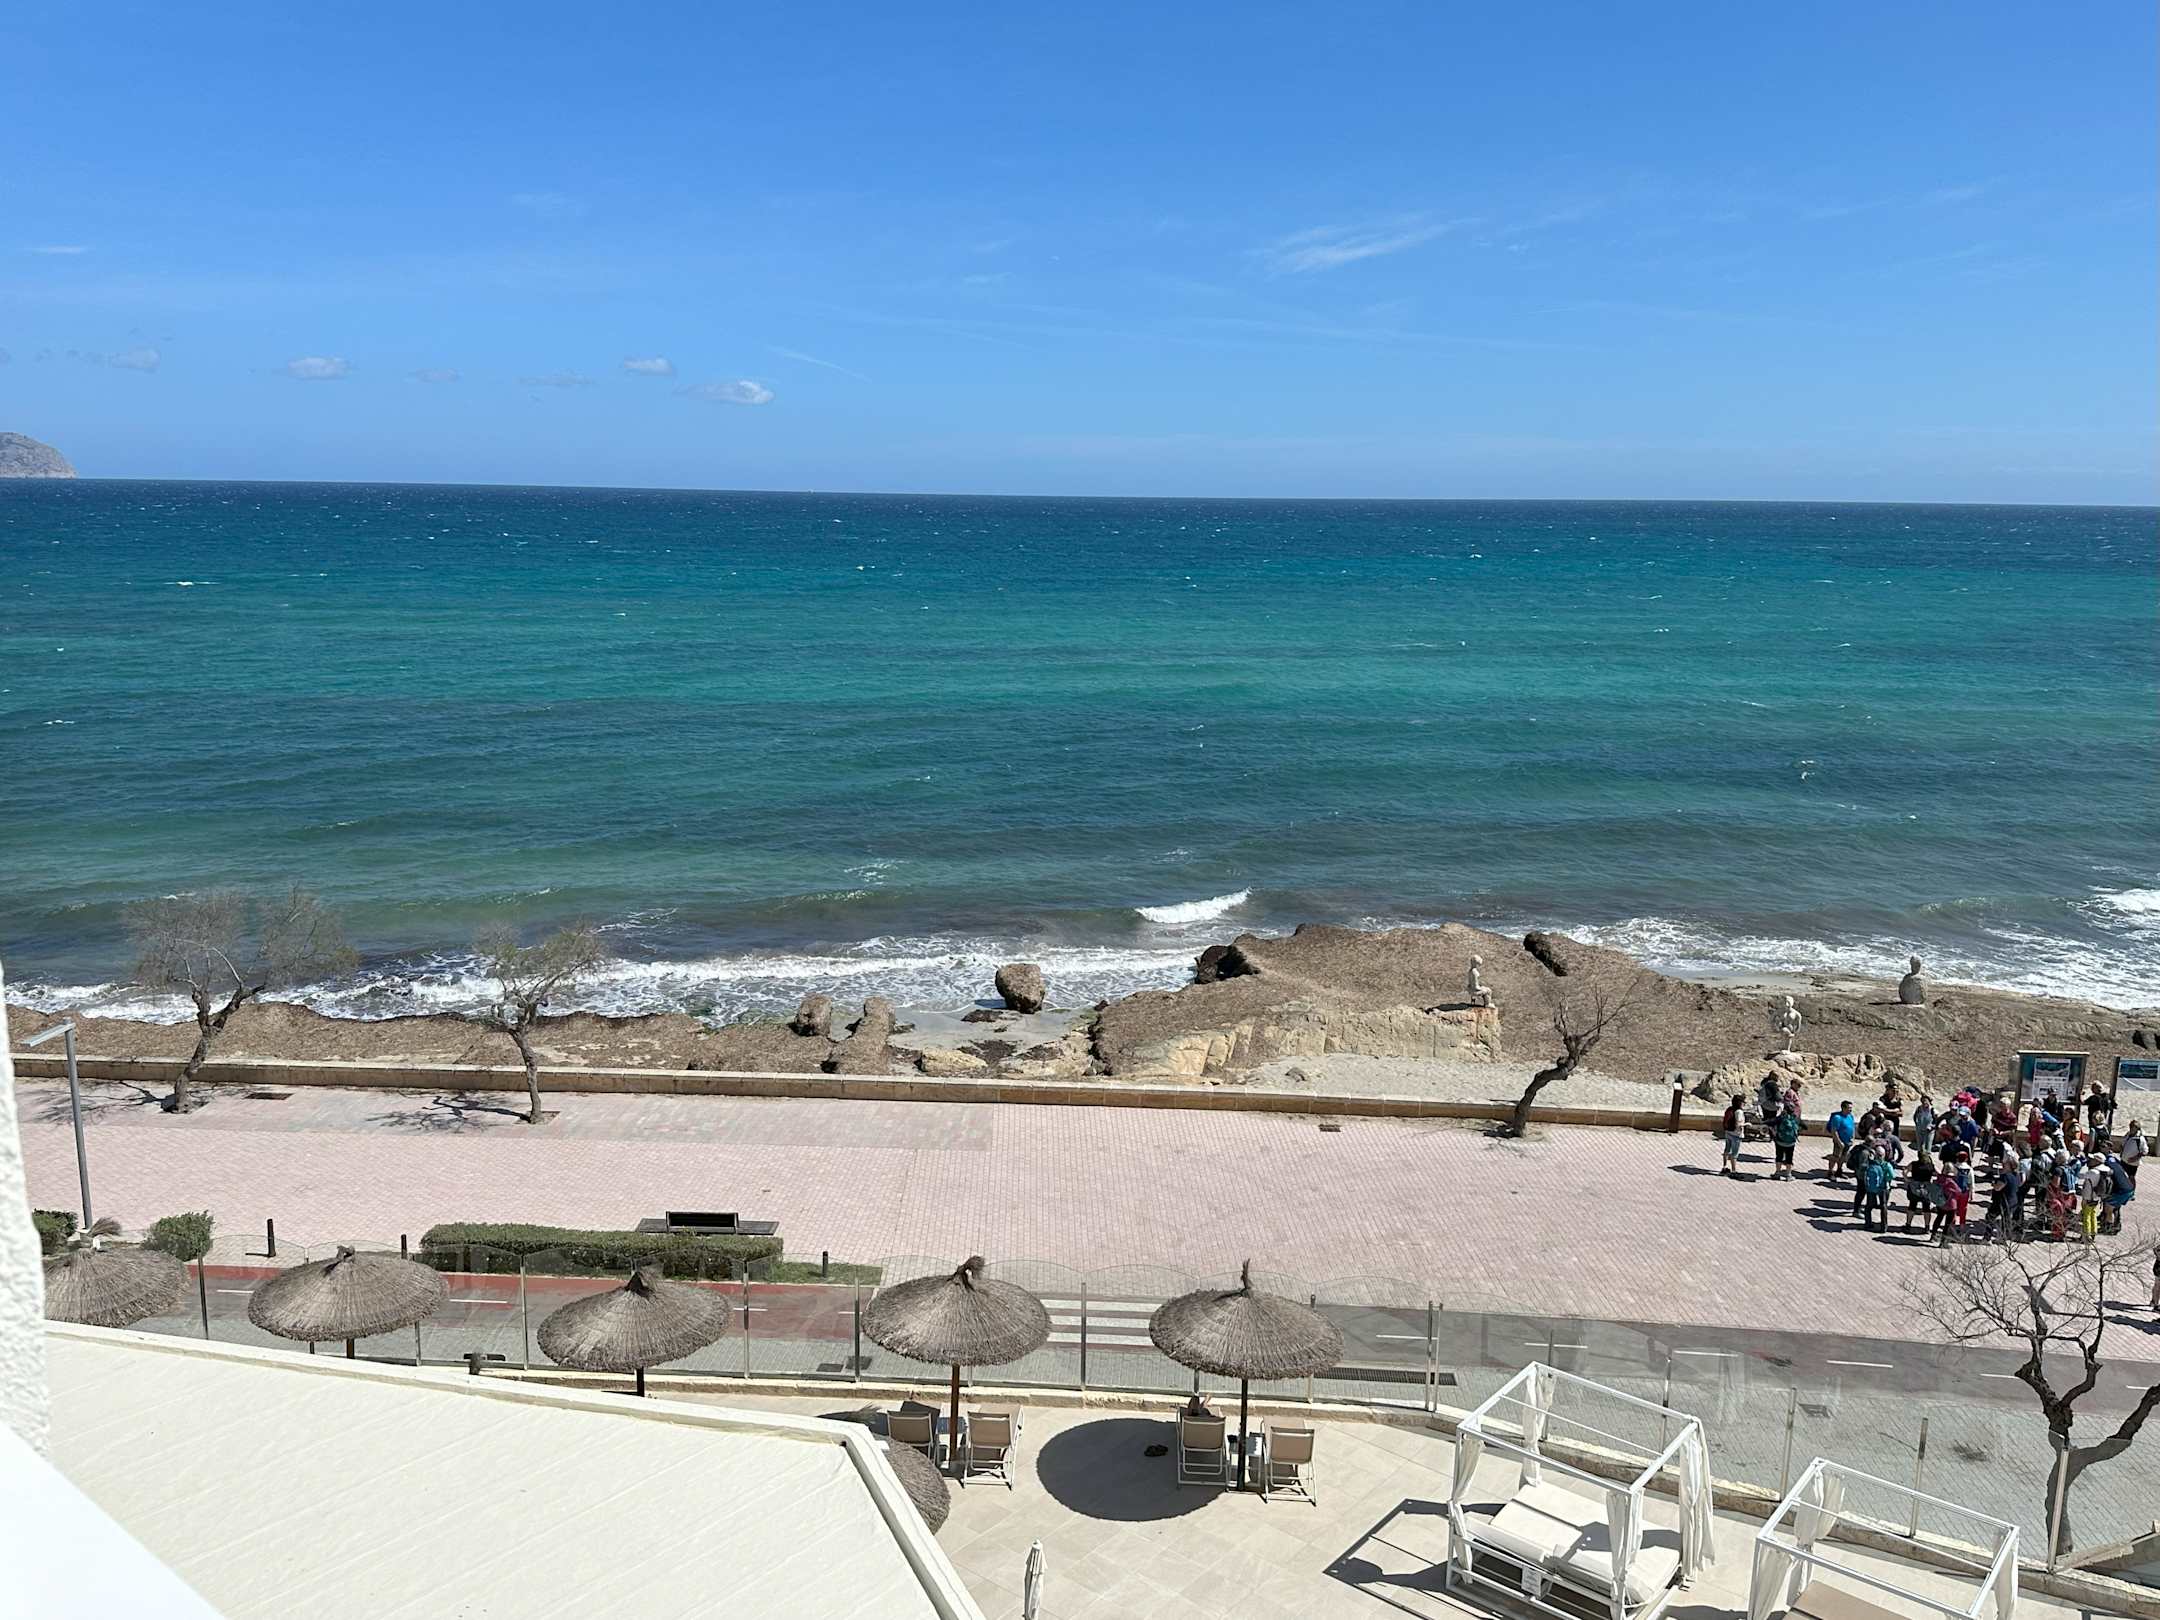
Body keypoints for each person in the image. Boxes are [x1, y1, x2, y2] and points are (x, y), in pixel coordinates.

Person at [1860, 1147, 1894, 1232]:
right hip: (1883, 1188)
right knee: (1883, 1206)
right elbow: (1892, 1175)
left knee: (1869, 1206)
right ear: (1884, 1155)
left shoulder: (1871, 1164)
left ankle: (1868, 1224)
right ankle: (1884, 1226)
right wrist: (1885, 1179)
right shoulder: (1886, 1165)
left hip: (1872, 1188)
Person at [1826, 1100, 1857, 1182]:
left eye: (1851, 1108)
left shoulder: (1850, 1116)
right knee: (1835, 1157)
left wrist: (1853, 1138)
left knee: (1843, 1157)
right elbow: (1834, 1131)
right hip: (1839, 1142)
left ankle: (1839, 1171)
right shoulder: (1837, 1118)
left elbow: (1853, 1127)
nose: (1851, 1110)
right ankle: (1830, 1172)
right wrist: (1839, 1142)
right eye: (1849, 1108)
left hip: (1848, 1141)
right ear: (1843, 1108)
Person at [1771, 1102, 1802, 1182]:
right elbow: (1803, 1126)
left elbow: (1771, 1123)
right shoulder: (1795, 1118)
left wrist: (1774, 1133)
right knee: (1789, 1158)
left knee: (1779, 1156)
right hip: (1791, 1142)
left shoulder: (1781, 1117)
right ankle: (1788, 1175)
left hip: (1780, 1141)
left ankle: (1777, 1173)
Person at [1720, 1094, 1745, 1176]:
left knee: (1727, 1150)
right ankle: (1734, 1171)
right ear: (1740, 1103)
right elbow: (1738, 1124)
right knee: (1734, 1153)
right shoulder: (1739, 1112)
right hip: (1736, 1135)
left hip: (1728, 1132)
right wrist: (1747, 1124)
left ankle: (1724, 1167)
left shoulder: (1730, 1109)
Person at [2121, 1119, 2147, 1189]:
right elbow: (2123, 1144)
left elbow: (2144, 1151)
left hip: (2133, 1163)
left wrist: (2135, 1158)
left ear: (2137, 1128)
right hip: (2124, 1160)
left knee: (2131, 1177)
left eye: (2133, 1127)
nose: (2131, 1128)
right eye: (2130, 1126)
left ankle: (2132, 1191)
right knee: (2123, 1175)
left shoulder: (2140, 1139)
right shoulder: (2128, 1134)